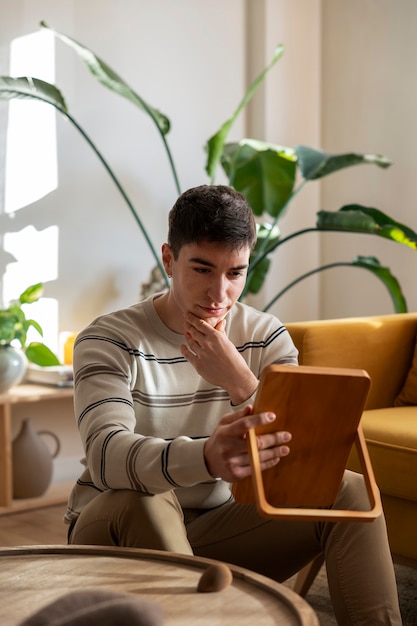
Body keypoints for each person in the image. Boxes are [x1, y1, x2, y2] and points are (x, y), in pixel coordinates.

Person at [66, 184, 402, 624]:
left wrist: (241, 381)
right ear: (169, 259)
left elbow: (301, 462)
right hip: (111, 530)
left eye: (235, 274)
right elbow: (107, 457)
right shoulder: (108, 338)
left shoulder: (265, 335)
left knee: (350, 490)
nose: (219, 293)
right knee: (146, 499)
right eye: (202, 269)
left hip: (217, 528)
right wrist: (205, 457)